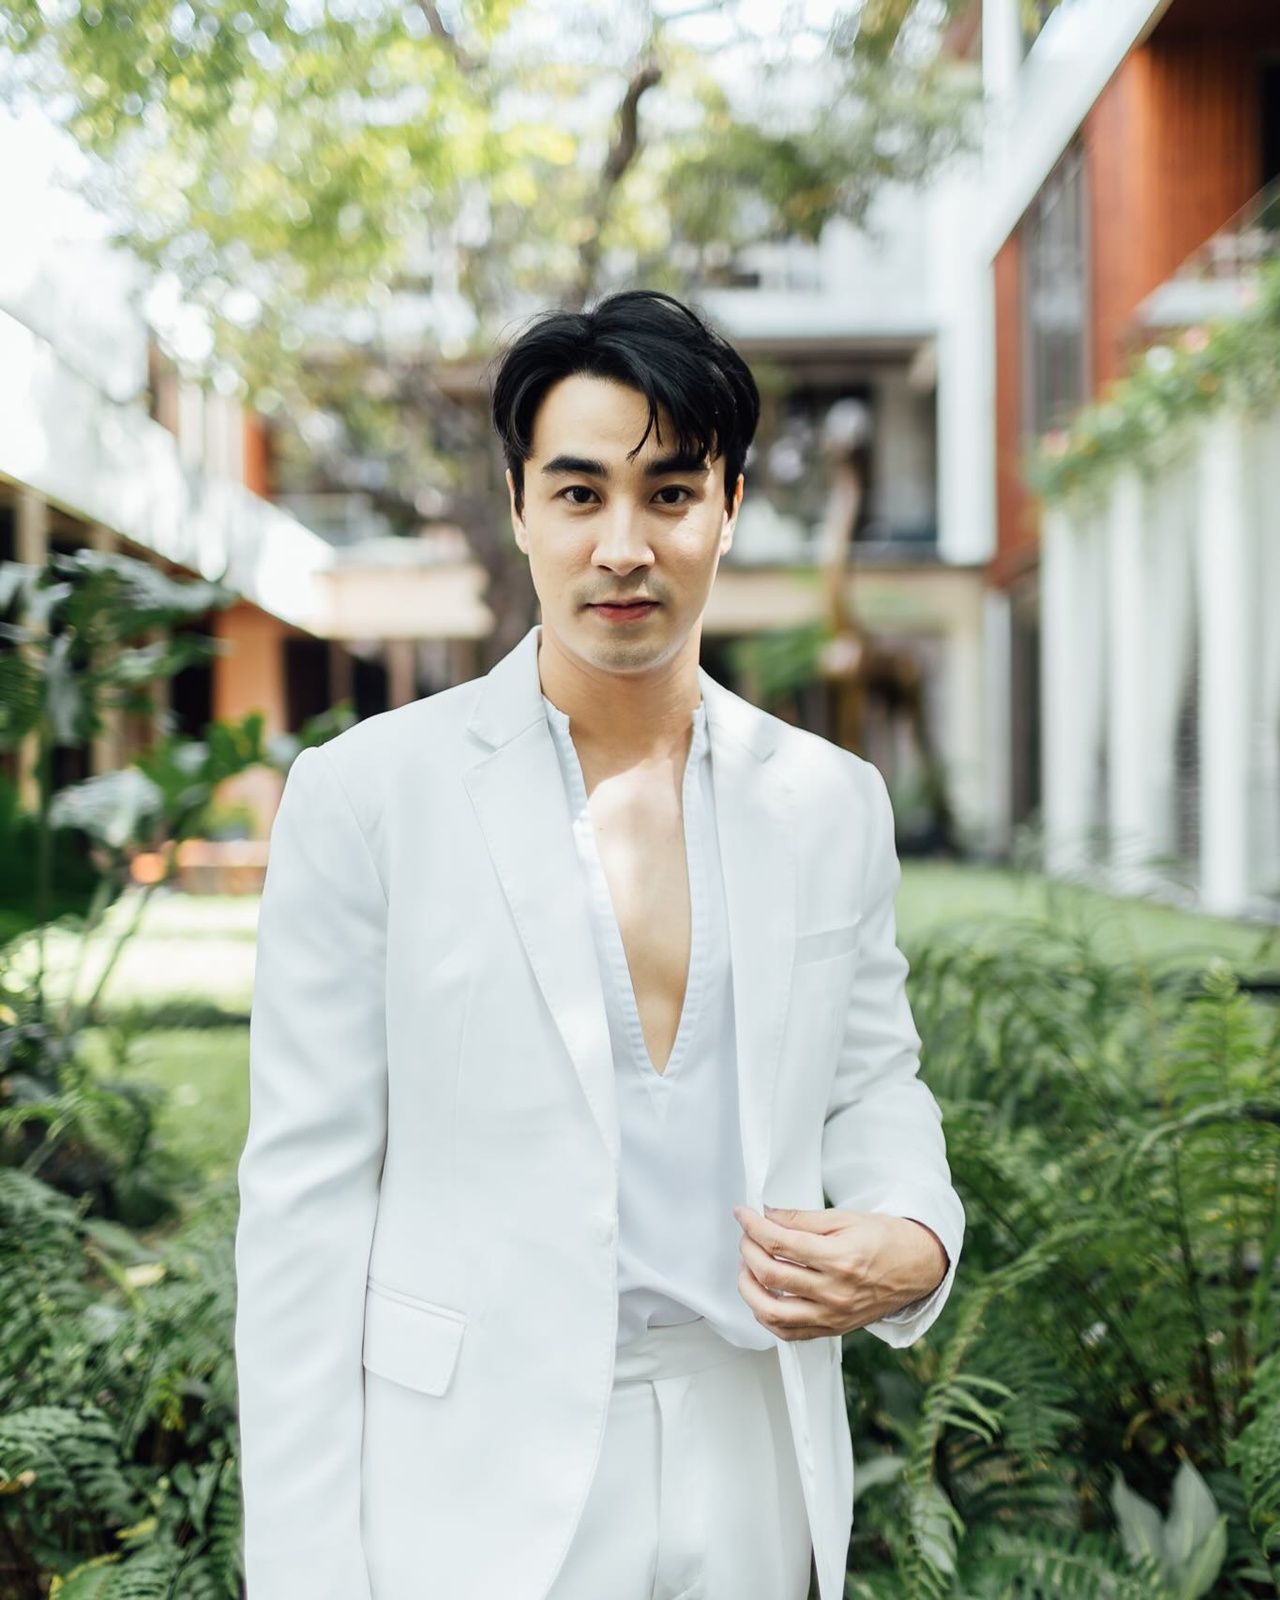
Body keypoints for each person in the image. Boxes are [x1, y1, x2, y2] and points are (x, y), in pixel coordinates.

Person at [233, 288, 965, 1600]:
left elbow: (871, 1082)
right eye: (580, 494)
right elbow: (303, 1209)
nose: (624, 546)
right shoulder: (368, 796)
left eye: (670, 493)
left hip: (754, 1444)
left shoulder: (829, 801)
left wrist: (917, 1230)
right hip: (474, 1476)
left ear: (729, 508)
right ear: (520, 507)